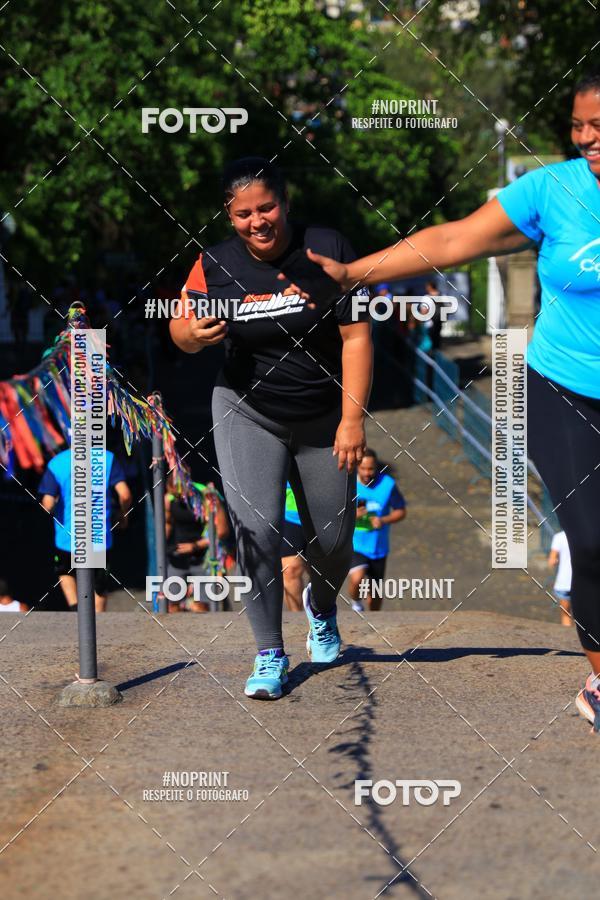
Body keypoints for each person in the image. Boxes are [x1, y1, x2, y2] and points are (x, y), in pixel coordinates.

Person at [288, 72, 600, 731]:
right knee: (594, 542)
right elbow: (455, 239)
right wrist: (354, 272)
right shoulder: (554, 189)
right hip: (566, 391)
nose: (588, 138)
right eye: (578, 126)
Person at [170, 156, 373, 700]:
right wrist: (194, 335)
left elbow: (357, 338)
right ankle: (269, 652)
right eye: (243, 214)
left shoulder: (327, 247)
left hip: (325, 415)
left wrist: (352, 420)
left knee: (332, 539)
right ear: (229, 216)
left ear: (285, 203)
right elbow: (179, 328)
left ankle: (322, 608)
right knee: (257, 529)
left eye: (266, 208)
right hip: (246, 408)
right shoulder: (214, 263)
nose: (256, 221)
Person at [38, 448, 132, 612]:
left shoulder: (58, 462)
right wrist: (122, 515)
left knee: (65, 572)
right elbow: (124, 494)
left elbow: (48, 504)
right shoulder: (107, 458)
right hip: (98, 538)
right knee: (99, 586)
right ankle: (98, 628)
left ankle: (76, 611)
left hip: (68, 539)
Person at [348, 450, 406, 612]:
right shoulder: (348, 483)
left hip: (378, 547)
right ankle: (356, 604)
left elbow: (401, 511)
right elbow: (333, 514)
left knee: (375, 595)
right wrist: (352, 515)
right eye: (363, 468)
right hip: (355, 546)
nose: (367, 473)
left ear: (376, 468)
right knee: (357, 578)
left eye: (371, 469)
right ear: (357, 467)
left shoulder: (387, 485)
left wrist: (383, 520)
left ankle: (375, 621)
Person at [165, 479, 230, 613]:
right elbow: (167, 523)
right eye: (174, 495)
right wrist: (164, 545)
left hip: (203, 560)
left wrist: (196, 545)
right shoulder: (168, 498)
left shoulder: (208, 496)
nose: (178, 498)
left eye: (180, 495)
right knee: (172, 606)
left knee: (200, 608)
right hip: (177, 559)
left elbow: (222, 532)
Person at [281, 481, 309, 612]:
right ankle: (297, 620)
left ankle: (319, 616)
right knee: (291, 569)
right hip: (288, 517)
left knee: (321, 573)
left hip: (321, 515)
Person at [548, 530, 573, 628]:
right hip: (584, 583)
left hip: (564, 583)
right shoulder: (587, 535)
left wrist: (557, 560)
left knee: (566, 615)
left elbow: (551, 561)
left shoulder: (559, 537)